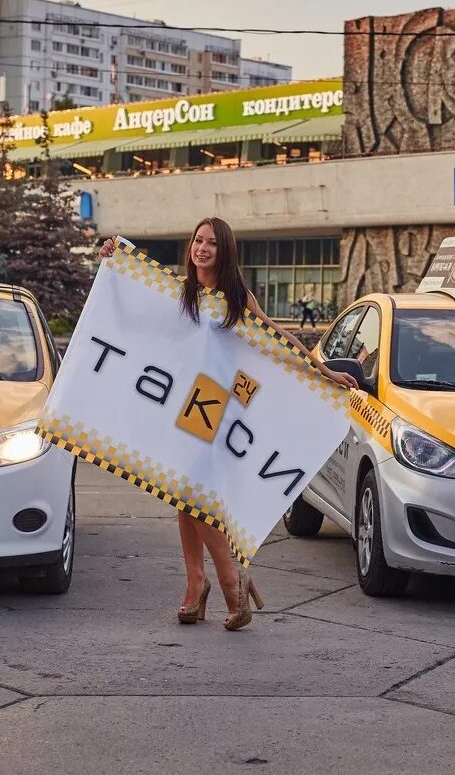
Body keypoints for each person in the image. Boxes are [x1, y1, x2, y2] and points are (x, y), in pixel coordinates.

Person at [99, 219, 357, 631]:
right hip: (178, 400)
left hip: (216, 403)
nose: (202, 248)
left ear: (225, 251)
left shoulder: (235, 298)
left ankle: (228, 580)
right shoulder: (178, 291)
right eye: (198, 241)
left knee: (193, 493)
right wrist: (115, 261)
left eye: (212, 243)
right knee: (182, 492)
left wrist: (322, 371)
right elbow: (136, 314)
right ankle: (196, 583)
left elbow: (277, 340)